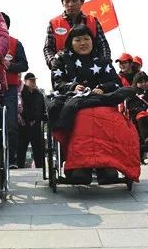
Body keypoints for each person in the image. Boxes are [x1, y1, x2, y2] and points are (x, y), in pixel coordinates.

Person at [49, 25, 136, 184]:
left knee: (112, 120)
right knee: (84, 119)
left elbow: (115, 82)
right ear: (70, 42)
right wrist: (73, 87)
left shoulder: (102, 61)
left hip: (102, 101)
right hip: (73, 102)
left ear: (92, 41)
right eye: (78, 40)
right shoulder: (61, 59)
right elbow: (57, 82)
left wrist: (102, 88)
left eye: (86, 39)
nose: (83, 43)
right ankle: (80, 167)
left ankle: (108, 166)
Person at [43, 0, 111, 70]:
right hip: (66, 70)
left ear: (82, 1)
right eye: (67, 1)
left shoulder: (93, 21)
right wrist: (53, 62)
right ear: (62, 3)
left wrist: (105, 61)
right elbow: (48, 48)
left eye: (74, 0)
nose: (70, 4)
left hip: (93, 69)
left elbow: (103, 44)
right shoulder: (54, 24)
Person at [0, 12, 28, 168]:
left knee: (10, 124)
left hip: (9, 88)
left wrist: (10, 65)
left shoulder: (15, 43)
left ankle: (11, 159)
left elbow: (24, 65)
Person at [18, 73, 45, 169]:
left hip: (36, 125)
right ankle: (19, 166)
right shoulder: (21, 93)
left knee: (38, 148)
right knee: (21, 148)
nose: (33, 82)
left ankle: (40, 167)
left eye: (34, 80)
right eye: (31, 80)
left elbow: (42, 109)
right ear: (25, 81)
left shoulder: (39, 95)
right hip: (23, 125)